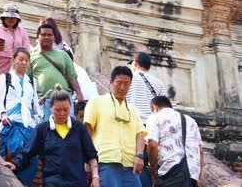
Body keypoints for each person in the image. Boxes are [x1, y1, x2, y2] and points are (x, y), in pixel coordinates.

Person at [0, 84, 99, 187]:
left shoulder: (79, 129)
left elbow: (91, 155)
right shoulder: (42, 129)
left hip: (78, 182)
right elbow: (27, 153)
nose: (62, 114)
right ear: (50, 107)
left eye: (66, 110)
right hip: (52, 182)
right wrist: (15, 164)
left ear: (71, 107)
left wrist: (95, 177)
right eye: (58, 110)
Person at [83, 66, 146, 187]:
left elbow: (140, 134)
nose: (122, 87)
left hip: (130, 164)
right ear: (111, 82)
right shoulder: (96, 101)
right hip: (106, 161)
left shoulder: (133, 109)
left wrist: (140, 156)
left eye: (126, 84)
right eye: (119, 83)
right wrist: (87, 160)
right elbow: (87, 131)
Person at [0, 47, 40, 186]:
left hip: (28, 123)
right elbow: (0, 100)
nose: (24, 63)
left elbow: (35, 104)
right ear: (14, 60)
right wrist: (2, 115)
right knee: (14, 151)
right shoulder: (5, 77)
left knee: (32, 155)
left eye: (27, 60)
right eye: (21, 59)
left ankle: (24, 182)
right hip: (11, 121)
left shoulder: (32, 81)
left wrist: (39, 119)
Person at [126, 52, 168, 187]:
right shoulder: (160, 83)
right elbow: (165, 108)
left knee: (136, 160)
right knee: (150, 164)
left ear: (135, 63)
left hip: (135, 124)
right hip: (154, 127)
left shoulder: (129, 77)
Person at [28, 23, 84, 122]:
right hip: (44, 101)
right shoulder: (31, 58)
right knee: (46, 133)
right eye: (43, 34)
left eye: (50, 35)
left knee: (67, 131)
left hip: (65, 99)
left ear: (54, 37)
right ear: (37, 37)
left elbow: (72, 77)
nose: (47, 37)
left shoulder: (63, 55)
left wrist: (79, 94)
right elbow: (28, 82)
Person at [146, 96, 204, 187]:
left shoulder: (155, 117)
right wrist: (198, 178)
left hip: (171, 173)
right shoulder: (191, 120)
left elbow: (152, 145)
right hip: (191, 176)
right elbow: (200, 151)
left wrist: (152, 166)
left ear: (154, 108)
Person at [0, 4, 30, 95]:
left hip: (18, 64)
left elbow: (27, 50)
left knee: (17, 92)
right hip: (2, 64)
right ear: (3, 17)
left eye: (14, 17)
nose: (11, 19)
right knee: (1, 91)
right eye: (8, 17)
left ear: (17, 19)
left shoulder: (22, 32)